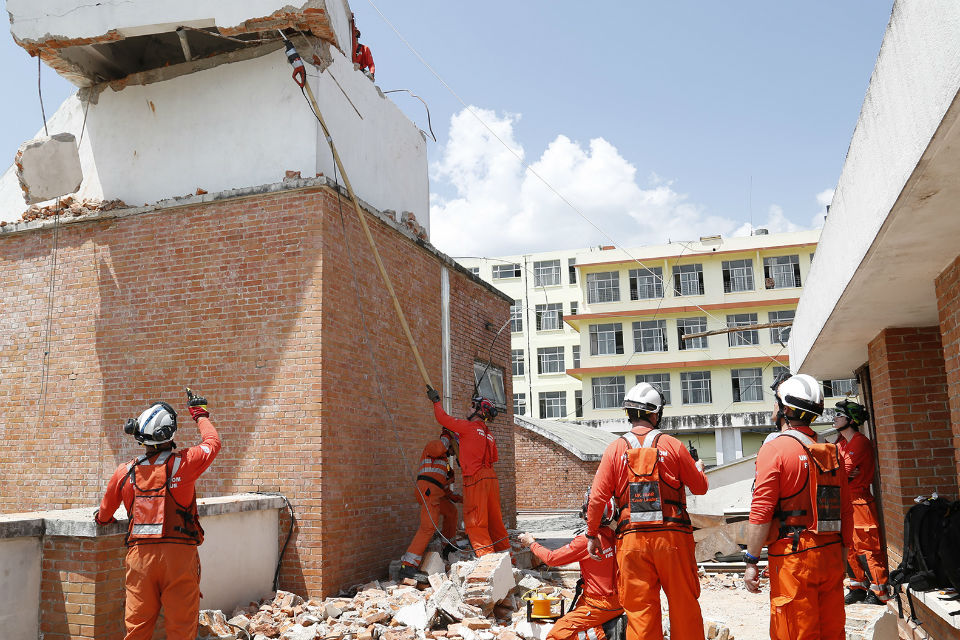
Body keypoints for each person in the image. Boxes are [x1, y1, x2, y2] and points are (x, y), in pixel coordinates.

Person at [585, 382, 708, 640]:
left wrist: (591, 534)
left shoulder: (615, 449)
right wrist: (698, 469)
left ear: (629, 413)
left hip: (632, 541)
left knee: (640, 614)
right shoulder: (673, 445)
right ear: (656, 414)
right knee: (684, 607)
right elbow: (700, 488)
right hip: (673, 539)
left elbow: (597, 498)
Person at [95, 390, 221, 640]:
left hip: (140, 559)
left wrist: (104, 519)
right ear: (170, 434)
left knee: (137, 629)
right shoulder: (186, 463)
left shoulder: (124, 472)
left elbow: (104, 516)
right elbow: (212, 443)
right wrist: (200, 414)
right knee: (181, 629)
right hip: (179, 557)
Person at [743, 374, 853, 640]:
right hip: (830, 553)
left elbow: (761, 511)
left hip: (794, 556)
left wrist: (751, 561)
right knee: (832, 631)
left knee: (795, 631)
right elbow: (846, 510)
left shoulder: (776, 449)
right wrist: (842, 553)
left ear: (786, 409)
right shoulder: (832, 451)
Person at [518, 492, 623, 640]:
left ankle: (607, 632)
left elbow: (551, 559)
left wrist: (531, 543)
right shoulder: (615, 533)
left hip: (599, 604)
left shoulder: (587, 541)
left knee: (556, 635)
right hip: (616, 599)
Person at [426, 386, 511, 556]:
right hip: (491, 479)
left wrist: (436, 402)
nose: (468, 408)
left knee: (476, 522)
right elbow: (492, 458)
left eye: (472, 406)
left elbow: (443, 418)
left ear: (479, 412)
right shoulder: (489, 435)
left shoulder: (467, 427)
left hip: (475, 479)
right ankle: (508, 560)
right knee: (495, 522)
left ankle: (488, 564)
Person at [834, 399, 889, 605]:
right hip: (844, 500)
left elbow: (841, 472)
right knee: (848, 547)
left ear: (850, 419)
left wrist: (840, 473)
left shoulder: (860, 441)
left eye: (838, 415)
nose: (834, 418)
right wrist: (840, 473)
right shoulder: (840, 442)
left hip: (860, 501)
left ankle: (878, 591)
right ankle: (857, 586)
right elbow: (830, 471)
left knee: (867, 548)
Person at [400, 432, 462, 581]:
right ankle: (407, 565)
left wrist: (460, 499)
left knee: (451, 511)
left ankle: (448, 545)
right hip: (427, 490)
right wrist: (446, 436)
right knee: (428, 527)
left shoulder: (445, 463)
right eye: (454, 449)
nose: (454, 453)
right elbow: (438, 448)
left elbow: (444, 489)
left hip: (436, 492)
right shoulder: (434, 447)